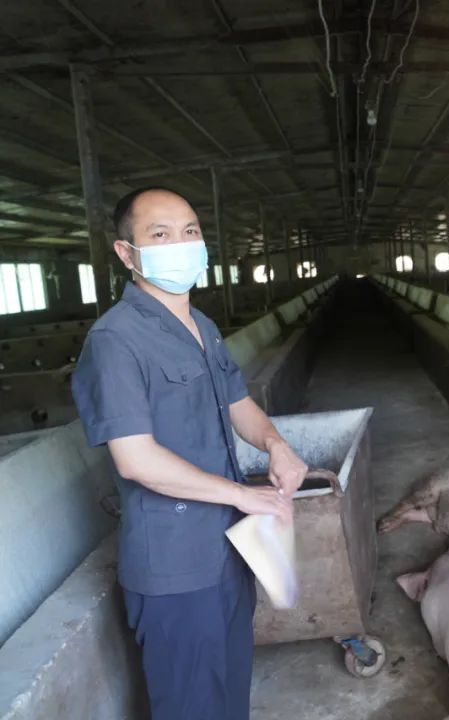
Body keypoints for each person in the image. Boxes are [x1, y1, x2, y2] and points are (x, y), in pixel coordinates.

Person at [72, 187, 308, 720]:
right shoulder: (114, 341)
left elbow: (239, 404)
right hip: (175, 567)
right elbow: (136, 459)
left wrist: (275, 444)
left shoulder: (202, 327)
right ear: (127, 254)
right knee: (191, 707)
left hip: (229, 551)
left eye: (191, 232)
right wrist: (242, 495)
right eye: (160, 235)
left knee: (230, 696)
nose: (181, 244)